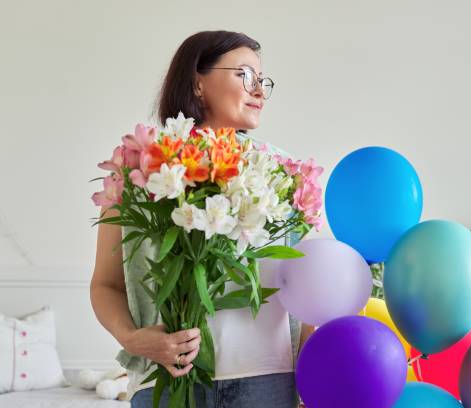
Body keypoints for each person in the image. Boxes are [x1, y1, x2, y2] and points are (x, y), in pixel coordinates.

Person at [90, 30, 315, 407]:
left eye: (263, 81)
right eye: (244, 75)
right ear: (197, 82)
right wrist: (133, 339)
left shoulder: (282, 173)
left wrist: (313, 374)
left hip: (267, 381)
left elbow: (309, 283)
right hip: (164, 377)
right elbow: (105, 284)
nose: (258, 91)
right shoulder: (139, 166)